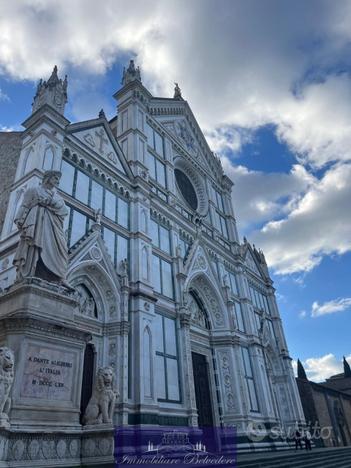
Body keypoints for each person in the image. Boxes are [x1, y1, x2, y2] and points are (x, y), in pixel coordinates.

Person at [13, 170, 69, 284]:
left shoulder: (57, 197)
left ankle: (59, 276)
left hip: (53, 227)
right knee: (34, 246)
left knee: (61, 249)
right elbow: (24, 205)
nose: (57, 181)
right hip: (37, 222)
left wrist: (50, 202)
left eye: (58, 179)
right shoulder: (34, 190)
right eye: (55, 178)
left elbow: (64, 211)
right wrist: (20, 221)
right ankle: (31, 273)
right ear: (48, 178)